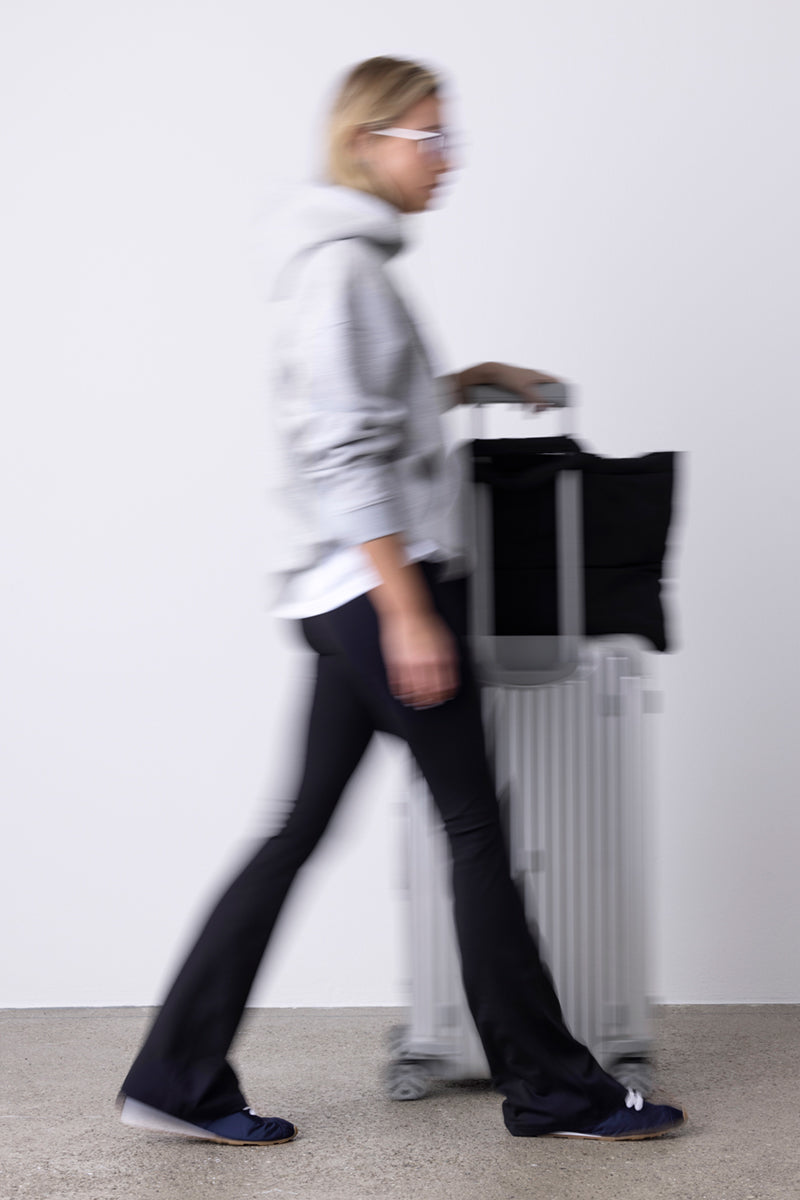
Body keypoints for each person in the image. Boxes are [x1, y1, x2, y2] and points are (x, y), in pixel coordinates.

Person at [116, 54, 687, 1146]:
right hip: (382, 587)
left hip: (344, 593)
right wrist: (408, 609)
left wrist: (467, 381)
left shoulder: (347, 266)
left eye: (446, 136)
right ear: (365, 141)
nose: (446, 158)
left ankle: (174, 1077)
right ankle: (554, 1089)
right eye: (428, 137)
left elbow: (371, 409)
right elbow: (342, 452)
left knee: (296, 830)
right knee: (474, 830)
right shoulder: (344, 272)